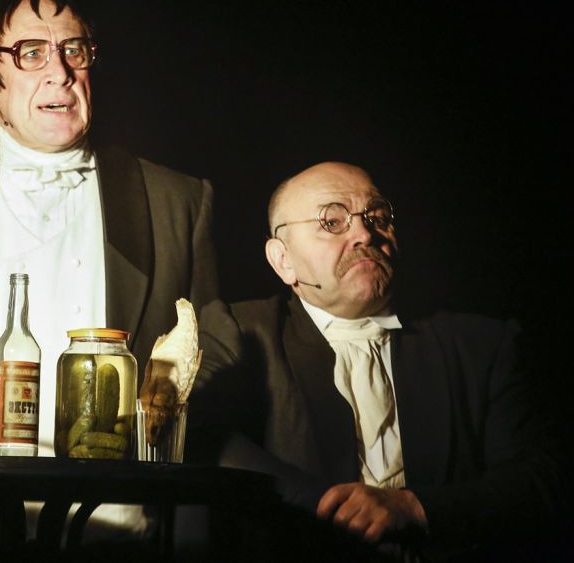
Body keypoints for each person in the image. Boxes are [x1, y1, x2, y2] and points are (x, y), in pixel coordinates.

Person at [0, 0, 220, 459]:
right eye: (31, 53)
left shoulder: (177, 200)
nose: (60, 73)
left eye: (73, 50)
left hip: (126, 500)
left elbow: (212, 357)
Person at [190, 161, 567, 562]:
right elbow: (194, 433)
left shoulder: (482, 344)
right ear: (283, 260)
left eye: (377, 217)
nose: (364, 234)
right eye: (332, 221)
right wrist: (328, 507)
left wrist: (414, 508)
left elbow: (541, 480)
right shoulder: (241, 331)